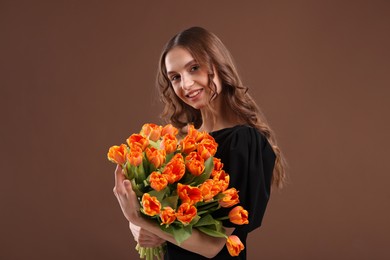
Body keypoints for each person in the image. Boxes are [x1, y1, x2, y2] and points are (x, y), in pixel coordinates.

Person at [113, 26, 286, 259]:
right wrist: (141, 228)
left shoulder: (244, 142)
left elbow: (214, 245)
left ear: (217, 64)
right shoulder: (177, 140)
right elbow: (163, 225)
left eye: (194, 68)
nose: (185, 85)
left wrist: (139, 219)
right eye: (175, 77)